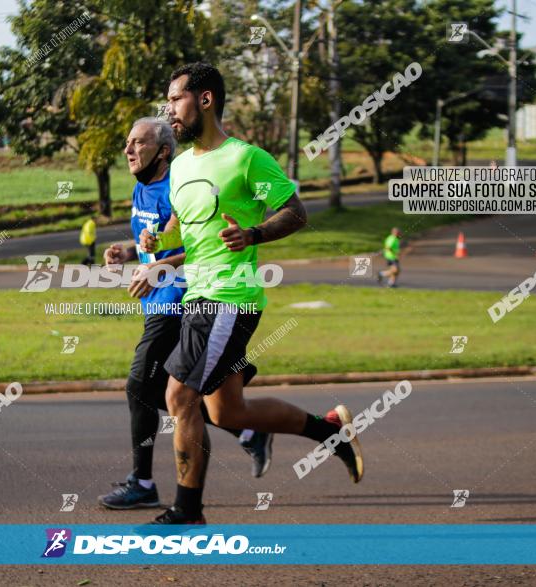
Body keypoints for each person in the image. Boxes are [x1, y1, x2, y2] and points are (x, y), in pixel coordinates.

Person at [140, 63, 363, 525]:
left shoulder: (246, 159)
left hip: (230, 297)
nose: (170, 111)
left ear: (205, 100)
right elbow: (186, 226)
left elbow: (295, 212)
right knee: (226, 411)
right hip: (197, 294)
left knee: (179, 395)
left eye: (176, 99)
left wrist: (254, 234)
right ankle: (331, 432)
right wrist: (156, 246)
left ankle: (186, 509)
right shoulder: (181, 166)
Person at [98, 117, 273, 511]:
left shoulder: (178, 187)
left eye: (138, 143)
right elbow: (155, 242)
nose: (128, 150)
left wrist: (160, 268)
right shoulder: (140, 190)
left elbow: (200, 248)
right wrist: (128, 253)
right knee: (172, 393)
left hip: (178, 300)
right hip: (156, 302)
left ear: (162, 151)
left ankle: (143, 482)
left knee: (140, 384)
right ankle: (248, 431)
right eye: (127, 142)